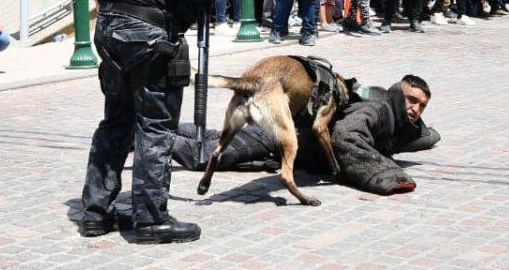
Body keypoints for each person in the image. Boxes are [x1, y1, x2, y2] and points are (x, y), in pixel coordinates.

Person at [79, 0, 213, 244]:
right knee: (155, 126)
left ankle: (95, 213)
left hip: (110, 31)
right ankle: (151, 218)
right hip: (148, 31)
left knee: (116, 122)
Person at [173, 74, 438, 196]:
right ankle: (154, 136)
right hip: (279, 136)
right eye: (411, 100)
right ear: (396, 93)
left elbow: (421, 136)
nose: (415, 109)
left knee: (213, 137)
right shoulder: (379, 109)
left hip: (282, 132)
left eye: (422, 106)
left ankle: (165, 128)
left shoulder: (396, 117)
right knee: (205, 156)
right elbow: (346, 136)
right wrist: (386, 174)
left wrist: (429, 136)